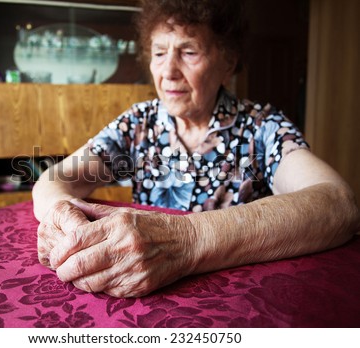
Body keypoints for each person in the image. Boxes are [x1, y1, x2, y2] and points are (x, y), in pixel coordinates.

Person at [33, 0, 360, 298]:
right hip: (146, 294)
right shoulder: (138, 123)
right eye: (159, 53)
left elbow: (337, 203)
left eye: (189, 52)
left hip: (234, 300)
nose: (168, 72)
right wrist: (65, 221)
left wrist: (187, 239)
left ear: (227, 62)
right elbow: (54, 180)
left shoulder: (262, 127)